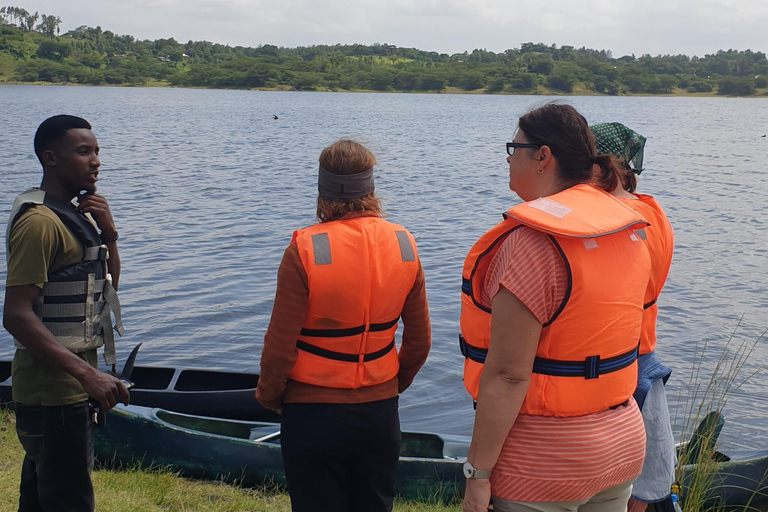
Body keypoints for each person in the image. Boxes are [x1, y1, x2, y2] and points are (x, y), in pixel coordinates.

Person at [459, 103, 652, 512]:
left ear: (542, 156)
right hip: (621, 445)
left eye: (514, 148)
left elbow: (509, 376)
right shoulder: (629, 226)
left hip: (543, 461)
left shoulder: (531, 243)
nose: (509, 159)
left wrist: (476, 475)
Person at [255, 139, 431, 512]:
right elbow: (419, 342)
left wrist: (270, 394)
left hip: (312, 412)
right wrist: (391, 385)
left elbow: (279, 346)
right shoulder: (404, 243)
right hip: (379, 412)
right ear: (371, 188)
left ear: (323, 190)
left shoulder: (304, 248)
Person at [3, 115, 130, 512]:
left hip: (67, 392)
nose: (95, 161)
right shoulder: (40, 223)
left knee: (41, 501)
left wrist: (108, 231)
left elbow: (106, 288)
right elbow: (16, 315)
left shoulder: (73, 216)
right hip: (51, 394)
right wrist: (88, 374)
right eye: (83, 151)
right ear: (50, 158)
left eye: (96, 152)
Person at [592, 122, 675, 512]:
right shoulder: (652, 212)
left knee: (614, 488)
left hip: (613, 364)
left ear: (598, 168)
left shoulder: (611, 217)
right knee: (635, 487)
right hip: (645, 353)